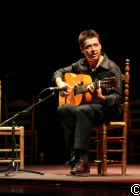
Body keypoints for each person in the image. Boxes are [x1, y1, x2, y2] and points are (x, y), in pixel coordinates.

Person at [52, 29, 123, 175]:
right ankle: (76, 154)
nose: (93, 50)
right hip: (88, 110)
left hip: (107, 110)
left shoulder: (111, 68)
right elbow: (58, 72)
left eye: (95, 45)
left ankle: (82, 161)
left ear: (100, 46)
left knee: (82, 110)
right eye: (89, 47)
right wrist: (61, 84)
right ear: (82, 49)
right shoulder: (81, 64)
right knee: (63, 109)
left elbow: (117, 98)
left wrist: (102, 97)